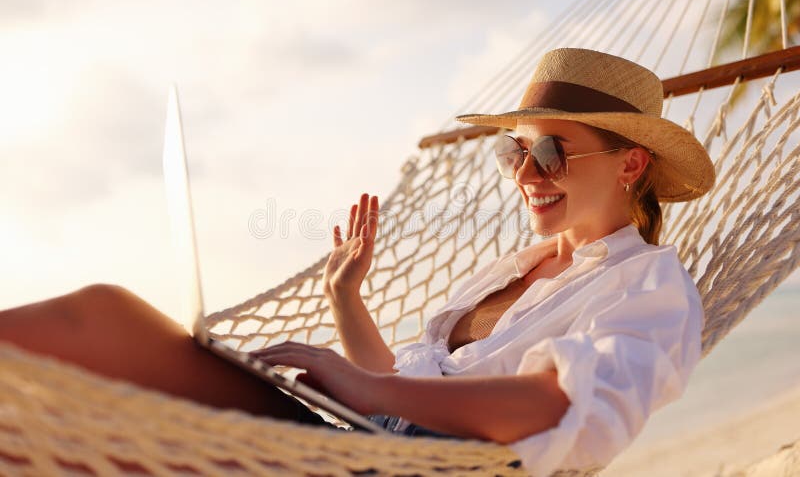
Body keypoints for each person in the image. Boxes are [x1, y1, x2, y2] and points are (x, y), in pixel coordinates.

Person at [0, 48, 715, 475]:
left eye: (552, 152)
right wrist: (347, 300)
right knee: (102, 343)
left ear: (631, 163)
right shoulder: (513, 268)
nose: (528, 173)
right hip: (368, 444)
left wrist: (366, 394)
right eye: (515, 152)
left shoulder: (650, 287)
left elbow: (562, 408)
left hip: (412, 467)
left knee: (102, 340)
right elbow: (398, 382)